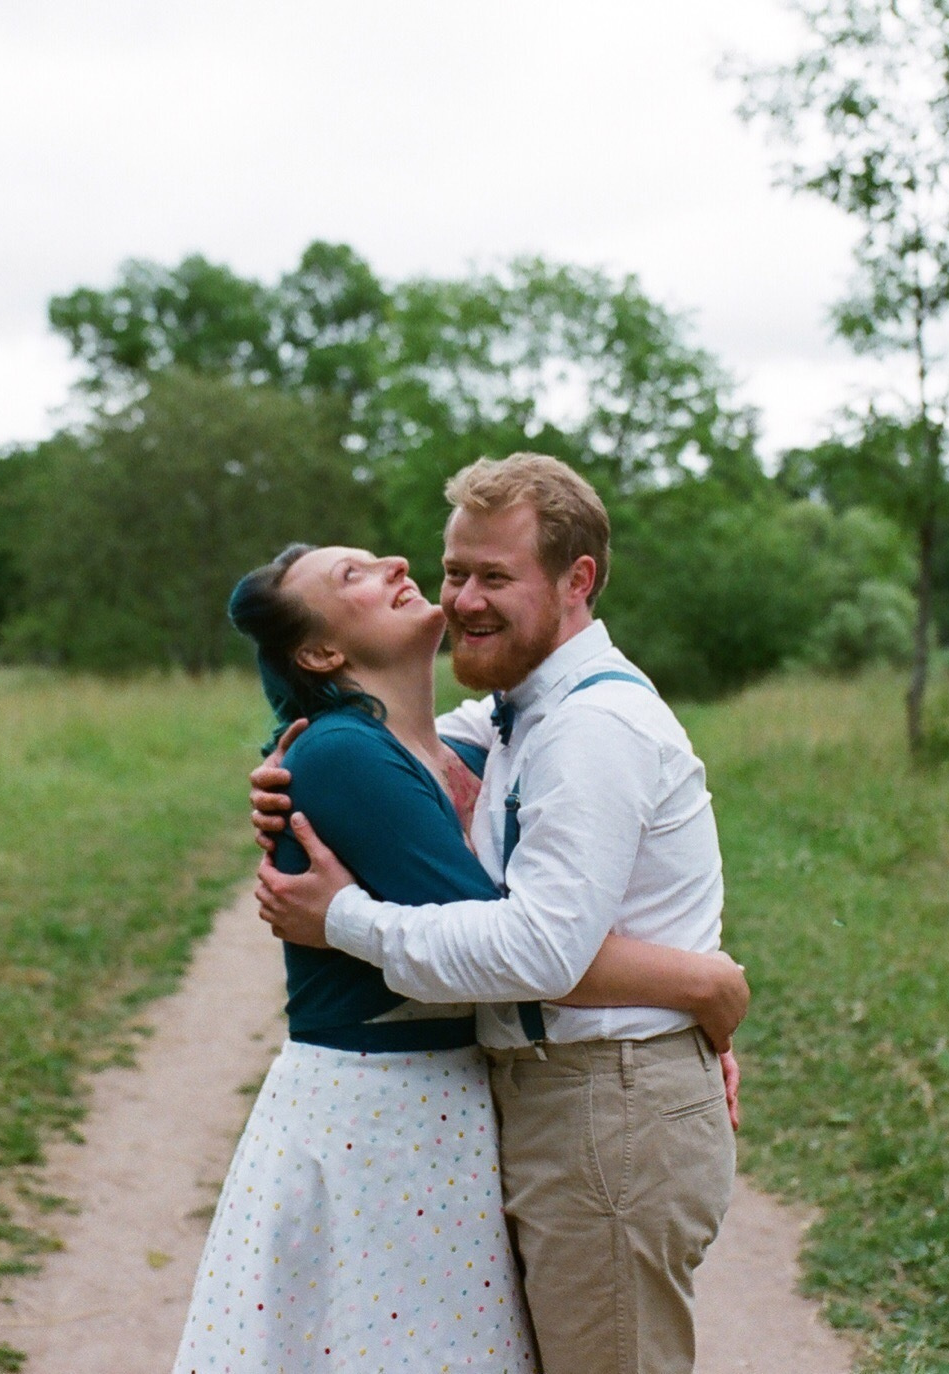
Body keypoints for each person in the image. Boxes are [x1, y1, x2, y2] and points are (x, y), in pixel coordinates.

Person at [173, 539, 749, 1374]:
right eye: (354, 575)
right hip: (378, 1119)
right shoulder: (343, 755)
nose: (398, 563)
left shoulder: (461, 746)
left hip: (437, 1107)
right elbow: (513, 953)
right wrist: (704, 984)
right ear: (323, 652)